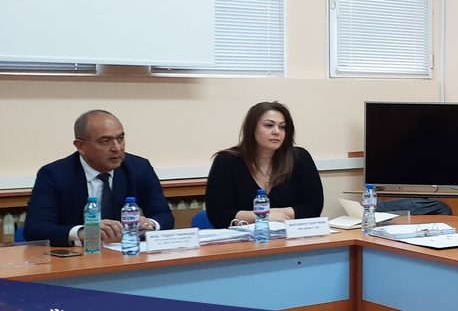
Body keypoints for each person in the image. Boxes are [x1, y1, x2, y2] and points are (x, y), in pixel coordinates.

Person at [25, 110, 174, 247]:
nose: (117, 148)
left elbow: (164, 216)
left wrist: (149, 225)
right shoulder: (54, 174)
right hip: (77, 258)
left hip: (127, 254)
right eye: (105, 141)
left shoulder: (139, 168)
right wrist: (84, 232)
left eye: (120, 139)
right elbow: (36, 228)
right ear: (81, 146)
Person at [204, 102, 324, 228]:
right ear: (252, 128)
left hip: (290, 236)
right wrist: (262, 215)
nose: (277, 132)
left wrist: (269, 214)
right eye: (269, 125)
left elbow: (312, 208)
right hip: (244, 238)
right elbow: (218, 215)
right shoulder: (226, 161)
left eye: (282, 127)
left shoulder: (299, 158)